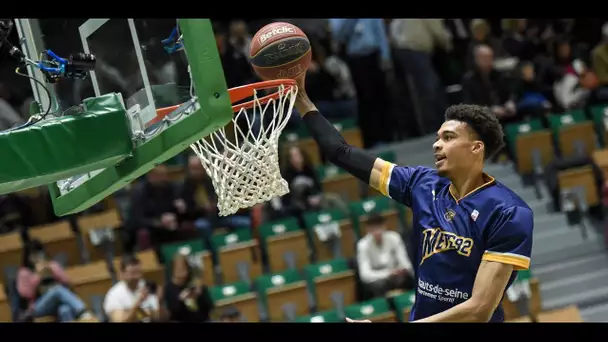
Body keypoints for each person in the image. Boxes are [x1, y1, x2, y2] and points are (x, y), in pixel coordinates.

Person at [292, 74, 533, 323]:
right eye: (438, 137)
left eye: (448, 138)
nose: (436, 145)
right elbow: (340, 152)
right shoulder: (421, 183)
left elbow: (479, 310)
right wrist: (302, 99)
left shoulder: (509, 212)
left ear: (476, 148)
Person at [16, 239, 93, 322]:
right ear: (28, 257)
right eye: (34, 254)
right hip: (37, 306)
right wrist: (38, 275)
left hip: (57, 303)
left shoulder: (52, 265)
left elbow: (67, 282)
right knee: (57, 289)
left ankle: (83, 315)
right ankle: (82, 310)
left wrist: (52, 270)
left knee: (65, 310)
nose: (37, 257)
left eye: (39, 253)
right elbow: (27, 294)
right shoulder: (24, 272)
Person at [356, 213, 415, 298]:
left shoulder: (394, 237)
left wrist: (402, 270)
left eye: (379, 227)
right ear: (368, 230)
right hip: (378, 279)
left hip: (396, 276)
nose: (377, 232)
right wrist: (387, 273)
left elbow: (406, 263)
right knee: (378, 285)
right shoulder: (362, 245)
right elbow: (365, 275)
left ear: (384, 226)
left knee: (409, 278)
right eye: (373, 229)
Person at [103, 254, 167, 322]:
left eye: (138, 273)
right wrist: (138, 303)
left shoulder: (147, 286)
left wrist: (159, 302)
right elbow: (120, 320)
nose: (136, 277)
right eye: (132, 273)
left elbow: (158, 317)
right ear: (122, 274)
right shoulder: (114, 294)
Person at [164, 252, 214, 322]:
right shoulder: (169, 288)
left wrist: (199, 295)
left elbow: (209, 307)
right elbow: (173, 314)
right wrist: (181, 300)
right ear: (173, 270)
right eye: (178, 268)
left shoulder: (195, 283)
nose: (182, 271)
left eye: (183, 267)